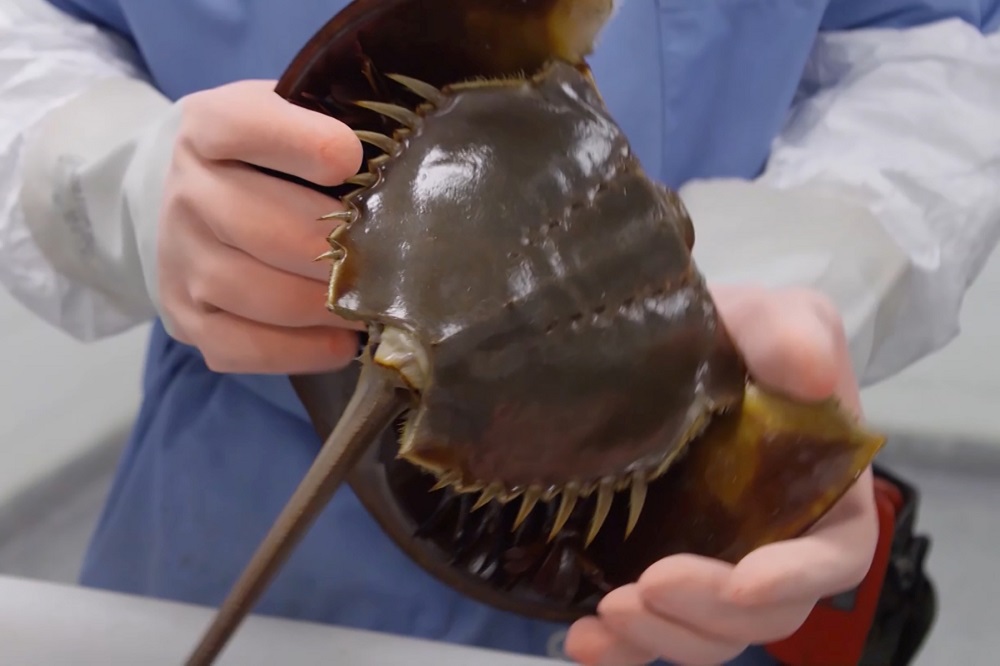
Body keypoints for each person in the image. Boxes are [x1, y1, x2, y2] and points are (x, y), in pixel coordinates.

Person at [1, 0, 998, 664]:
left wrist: (803, 273)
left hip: (669, 536)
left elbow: (935, 44)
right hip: (232, 488)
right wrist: (108, 175)